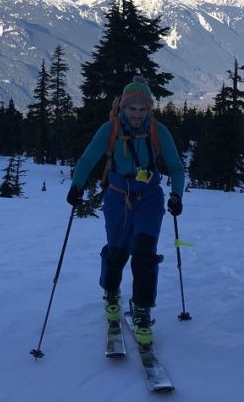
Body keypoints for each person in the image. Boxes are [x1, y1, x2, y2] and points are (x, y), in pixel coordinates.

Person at [67, 75, 185, 346]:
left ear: (150, 109)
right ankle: (111, 293)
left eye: (142, 109)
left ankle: (142, 313)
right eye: (132, 108)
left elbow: (177, 168)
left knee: (144, 255)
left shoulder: (158, 131)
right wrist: (76, 186)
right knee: (117, 252)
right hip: (118, 198)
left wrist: (176, 194)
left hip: (150, 199)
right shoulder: (110, 130)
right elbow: (87, 159)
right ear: (122, 106)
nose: (136, 114)